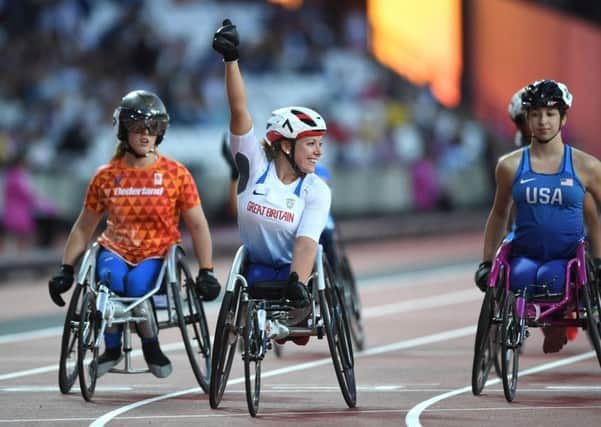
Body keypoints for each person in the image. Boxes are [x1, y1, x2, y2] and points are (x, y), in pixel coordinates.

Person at [47, 90, 221, 378]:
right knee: (111, 282)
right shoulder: (105, 176)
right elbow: (83, 226)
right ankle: (112, 348)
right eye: (138, 128)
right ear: (123, 131)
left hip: (157, 252)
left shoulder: (176, 174)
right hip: (115, 248)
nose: (145, 135)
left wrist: (207, 270)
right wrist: (66, 268)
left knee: (138, 287)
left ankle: (151, 346)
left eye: (152, 129)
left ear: (160, 133)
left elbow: (199, 225)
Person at [213, 19, 331, 345]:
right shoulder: (254, 164)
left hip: (295, 270)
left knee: (298, 332)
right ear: (284, 144)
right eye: (311, 143)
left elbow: (307, 243)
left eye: (320, 144)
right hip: (256, 267)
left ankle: (288, 317)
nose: (318, 152)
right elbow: (238, 111)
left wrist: (298, 282)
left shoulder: (316, 189)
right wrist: (231, 59)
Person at [475, 79, 601, 354]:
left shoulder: (586, 166)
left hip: (565, 255)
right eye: (534, 115)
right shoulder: (509, 165)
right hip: (524, 250)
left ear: (563, 118)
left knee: (552, 279)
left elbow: (594, 218)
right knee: (520, 277)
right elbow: (499, 215)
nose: (542, 121)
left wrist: (598, 258)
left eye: (550, 114)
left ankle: (555, 326)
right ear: (525, 119)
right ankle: (541, 325)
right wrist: (487, 262)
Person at [1, 148, 57, 252]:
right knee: (25, 237)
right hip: (19, 215)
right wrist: (47, 205)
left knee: (17, 240)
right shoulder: (19, 178)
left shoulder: (10, 176)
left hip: (11, 212)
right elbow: (29, 196)